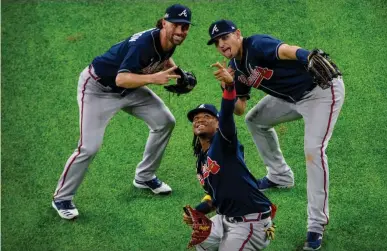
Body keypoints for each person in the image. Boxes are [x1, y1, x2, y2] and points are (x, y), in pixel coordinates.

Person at [206, 20, 345, 250]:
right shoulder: (236, 68)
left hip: (321, 93)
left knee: (314, 151)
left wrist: (306, 56)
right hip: (291, 98)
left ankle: (316, 225)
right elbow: (239, 109)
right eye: (217, 42)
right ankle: (280, 175)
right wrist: (229, 87)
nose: (221, 44)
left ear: (238, 34)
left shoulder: (256, 44)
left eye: (225, 37)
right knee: (255, 120)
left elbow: (285, 50)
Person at [52, 4, 193, 220]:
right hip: (98, 89)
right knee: (89, 147)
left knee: (165, 121)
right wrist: (153, 79)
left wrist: (179, 74)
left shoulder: (169, 40)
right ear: (164, 23)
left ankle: (145, 177)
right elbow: (121, 78)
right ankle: (61, 197)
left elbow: (163, 58)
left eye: (185, 27)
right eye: (176, 25)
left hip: (129, 89)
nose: (180, 32)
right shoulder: (144, 44)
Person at [183, 62, 276, 251]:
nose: (199, 119)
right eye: (196, 118)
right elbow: (213, 194)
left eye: (207, 117)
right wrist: (199, 210)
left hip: (250, 222)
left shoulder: (225, 143)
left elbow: (226, 115)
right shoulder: (202, 158)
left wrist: (230, 87)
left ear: (217, 125)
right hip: (225, 217)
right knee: (203, 240)